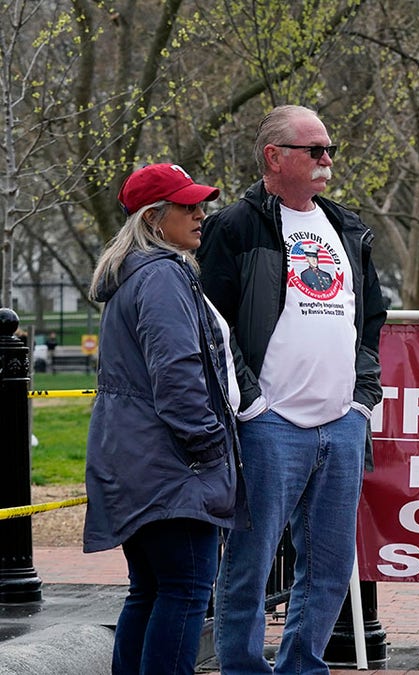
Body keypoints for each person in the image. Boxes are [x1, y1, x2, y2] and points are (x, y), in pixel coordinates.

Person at [198, 104, 387, 674]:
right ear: (274, 157)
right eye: (315, 149)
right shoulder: (234, 226)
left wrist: (361, 399)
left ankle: (302, 667)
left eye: (330, 148)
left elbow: (372, 319)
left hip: (341, 421)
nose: (328, 159)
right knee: (250, 566)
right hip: (269, 424)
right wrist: (251, 402)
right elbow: (212, 322)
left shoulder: (348, 228)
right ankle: (244, 668)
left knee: (330, 567)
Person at [84, 163, 243, 674]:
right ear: (154, 218)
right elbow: (176, 372)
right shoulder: (162, 275)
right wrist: (210, 446)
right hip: (172, 467)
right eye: (188, 205)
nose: (201, 214)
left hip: (138, 460)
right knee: (186, 591)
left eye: (201, 204)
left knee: (150, 590)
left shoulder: (137, 273)